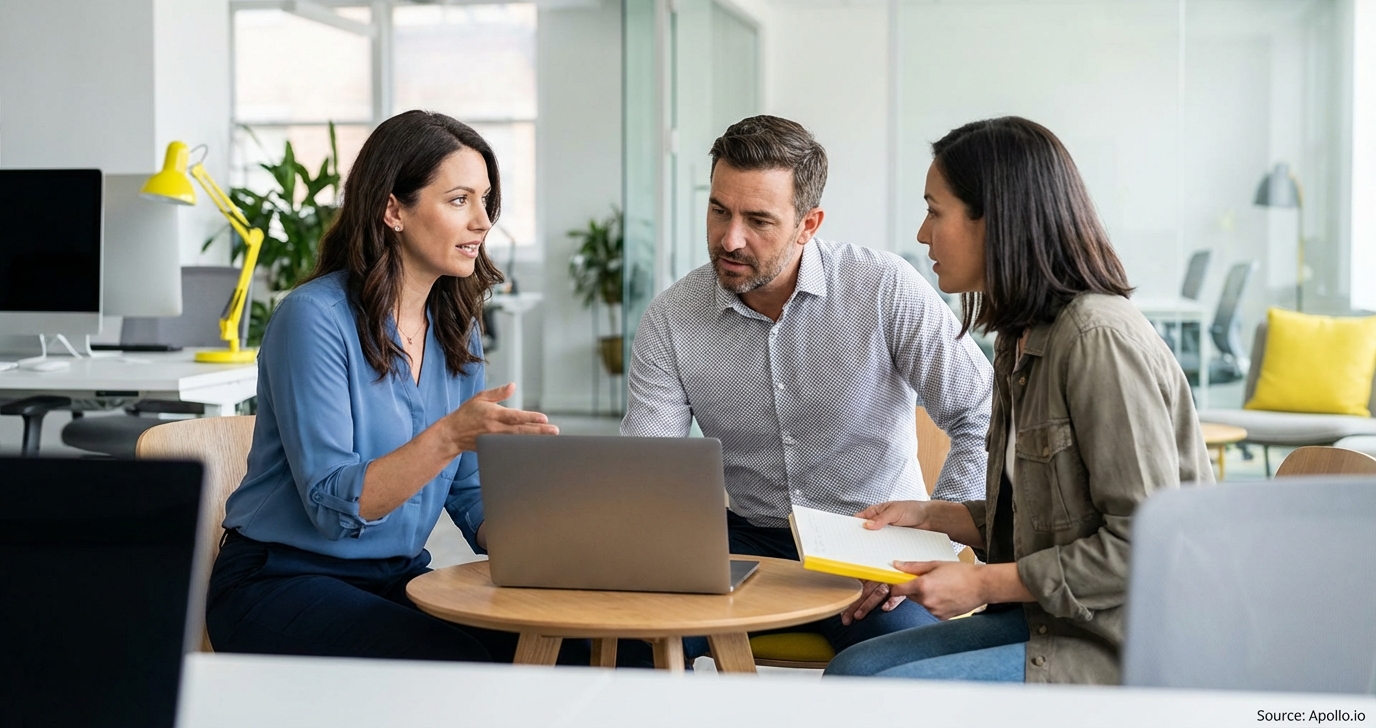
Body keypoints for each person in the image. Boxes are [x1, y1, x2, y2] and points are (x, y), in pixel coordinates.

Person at [823, 116, 1213, 684]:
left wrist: (982, 584)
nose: (923, 234)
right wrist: (933, 517)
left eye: (935, 211)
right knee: (855, 669)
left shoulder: (1097, 340)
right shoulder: (1020, 337)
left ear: (995, 222)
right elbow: (1044, 520)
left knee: (879, 690)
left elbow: (1147, 546)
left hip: (1119, 643)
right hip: (1049, 620)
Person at [621, 115, 993, 654]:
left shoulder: (884, 289)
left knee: (901, 670)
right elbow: (648, 467)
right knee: (623, 641)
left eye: (759, 220)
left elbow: (979, 413)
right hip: (745, 539)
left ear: (808, 224)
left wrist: (934, 540)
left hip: (877, 543)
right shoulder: (671, 318)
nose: (730, 238)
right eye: (719, 210)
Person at [206, 110, 560, 662]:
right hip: (280, 582)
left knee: (592, 645)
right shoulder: (313, 318)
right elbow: (331, 504)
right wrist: (448, 436)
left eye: (486, 200)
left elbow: (468, 492)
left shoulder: (455, 325)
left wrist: (548, 547)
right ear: (393, 209)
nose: (484, 222)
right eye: (459, 200)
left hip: (396, 579)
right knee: (463, 666)